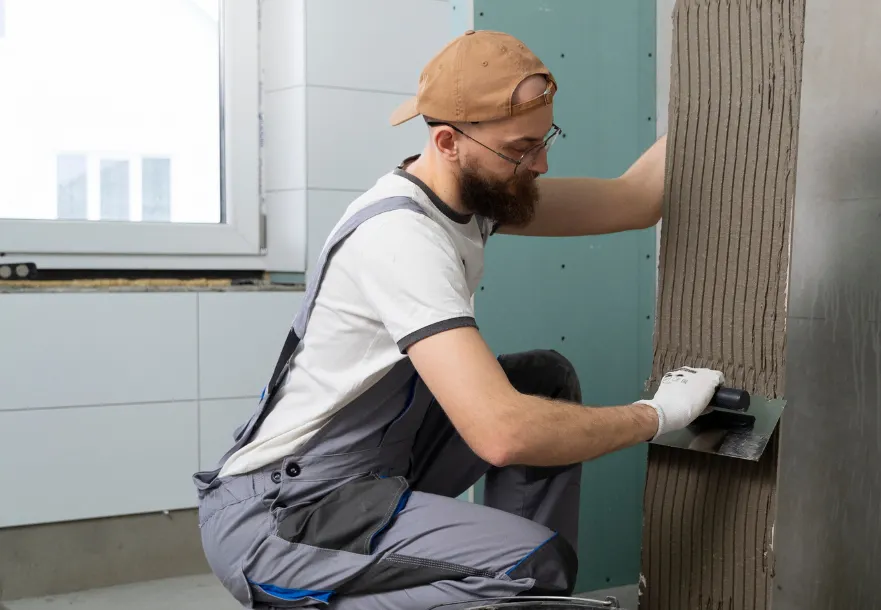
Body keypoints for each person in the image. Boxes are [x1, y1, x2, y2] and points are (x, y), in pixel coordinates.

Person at [192, 29, 724, 609]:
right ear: (448, 141)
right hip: (287, 514)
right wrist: (658, 415)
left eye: (545, 139)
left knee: (542, 380)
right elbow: (503, 434)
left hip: (375, 470)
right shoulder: (401, 237)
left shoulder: (475, 197)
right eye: (522, 149)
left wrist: (717, 93)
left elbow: (634, 199)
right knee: (531, 562)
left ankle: (520, 596)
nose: (541, 163)